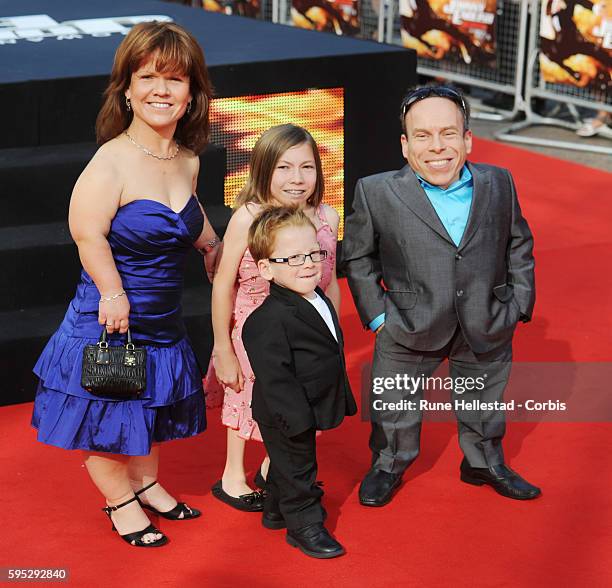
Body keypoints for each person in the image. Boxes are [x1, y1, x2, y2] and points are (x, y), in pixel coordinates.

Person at [31, 22, 220, 547]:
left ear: (191, 94)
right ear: (128, 90)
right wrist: (113, 292)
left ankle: (148, 483)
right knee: (110, 414)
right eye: (149, 77)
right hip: (111, 318)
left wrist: (210, 245)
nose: (162, 90)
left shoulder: (186, 159)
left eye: (176, 80)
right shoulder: (110, 159)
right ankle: (120, 503)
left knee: (150, 405)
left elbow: (188, 213)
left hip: (163, 316)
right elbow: (86, 232)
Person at [343, 84, 542, 507]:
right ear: (405, 144)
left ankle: (484, 462)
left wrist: (519, 303)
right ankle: (388, 464)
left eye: (449, 133)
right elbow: (358, 258)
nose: (438, 147)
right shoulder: (376, 192)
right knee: (393, 404)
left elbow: (518, 242)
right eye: (423, 135)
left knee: (484, 400)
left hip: (485, 317)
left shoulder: (499, 182)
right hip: (407, 322)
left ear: (468, 139)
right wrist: (379, 317)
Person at [207, 124, 340, 511]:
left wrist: (333, 336)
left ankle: (272, 467)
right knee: (248, 398)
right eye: (284, 168)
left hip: (305, 331)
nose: (297, 179)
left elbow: (329, 280)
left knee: (296, 400)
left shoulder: (326, 217)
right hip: (254, 330)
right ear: (263, 170)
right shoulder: (248, 217)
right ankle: (233, 476)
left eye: (307, 167)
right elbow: (222, 284)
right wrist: (222, 348)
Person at [242, 206, 356, 558]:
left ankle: (275, 510)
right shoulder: (266, 321)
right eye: (292, 258)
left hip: (309, 401)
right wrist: (298, 420)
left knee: (286, 462)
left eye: (313, 253)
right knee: (299, 467)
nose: (307, 263)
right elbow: (277, 381)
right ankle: (303, 524)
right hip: (286, 412)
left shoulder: (315, 296)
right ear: (266, 269)